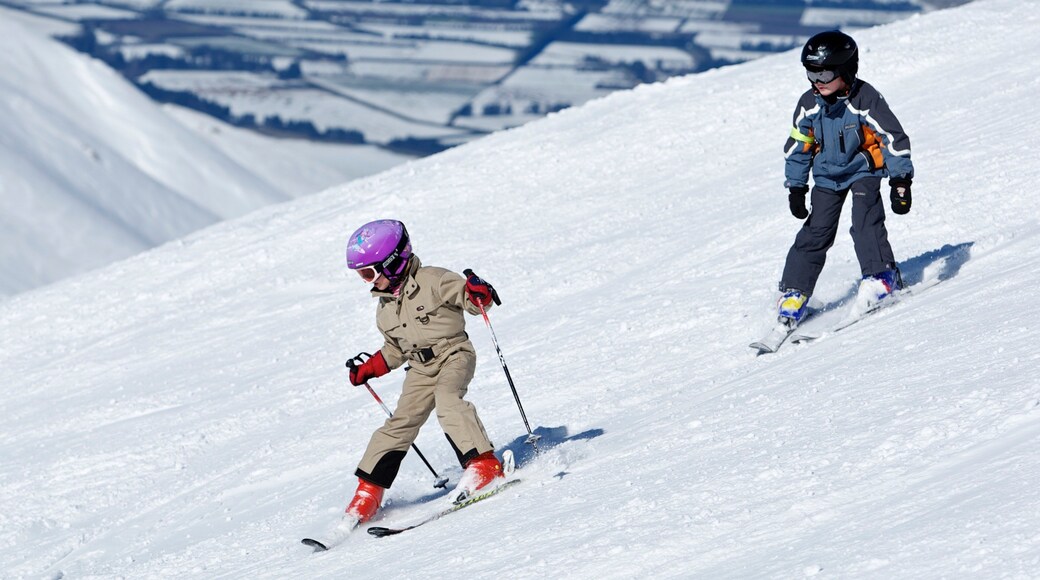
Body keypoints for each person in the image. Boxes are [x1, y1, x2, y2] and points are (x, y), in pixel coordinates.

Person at [340, 218, 504, 524]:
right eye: (361, 274)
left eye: (368, 273)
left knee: (448, 400)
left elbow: (468, 298)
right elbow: (394, 349)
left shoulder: (434, 280)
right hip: (419, 368)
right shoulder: (385, 308)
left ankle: (484, 464)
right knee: (399, 423)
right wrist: (371, 367)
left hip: (453, 353)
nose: (367, 281)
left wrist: (478, 294)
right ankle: (368, 492)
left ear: (392, 263)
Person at [777, 30, 914, 325]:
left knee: (865, 221)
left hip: (864, 170)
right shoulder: (809, 104)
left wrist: (900, 180)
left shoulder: (865, 99)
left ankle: (881, 276)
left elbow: (892, 137)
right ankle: (794, 291)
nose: (818, 82)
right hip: (827, 175)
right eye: (811, 73)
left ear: (845, 70)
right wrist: (797, 187)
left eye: (825, 74)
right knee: (816, 232)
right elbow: (799, 146)